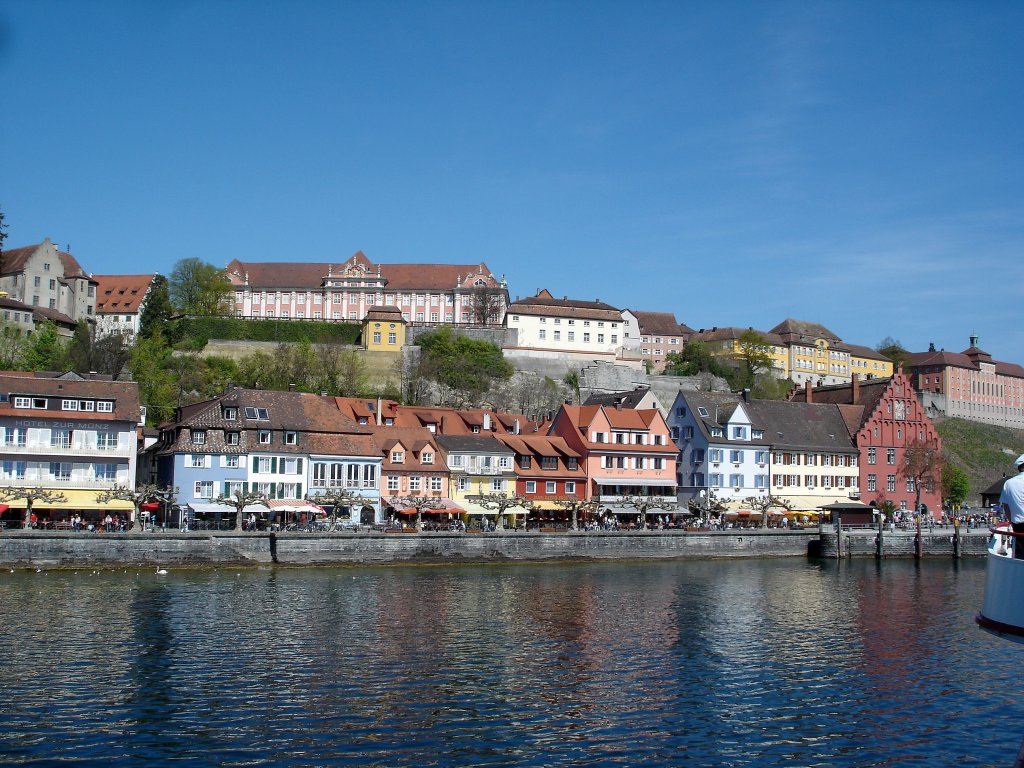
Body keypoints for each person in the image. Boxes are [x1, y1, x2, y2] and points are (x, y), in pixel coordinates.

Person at [1000, 453, 1024, 558]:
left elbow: (1006, 507)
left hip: (1018, 525)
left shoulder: (1009, 483)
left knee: (1020, 556)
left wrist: (1012, 523)